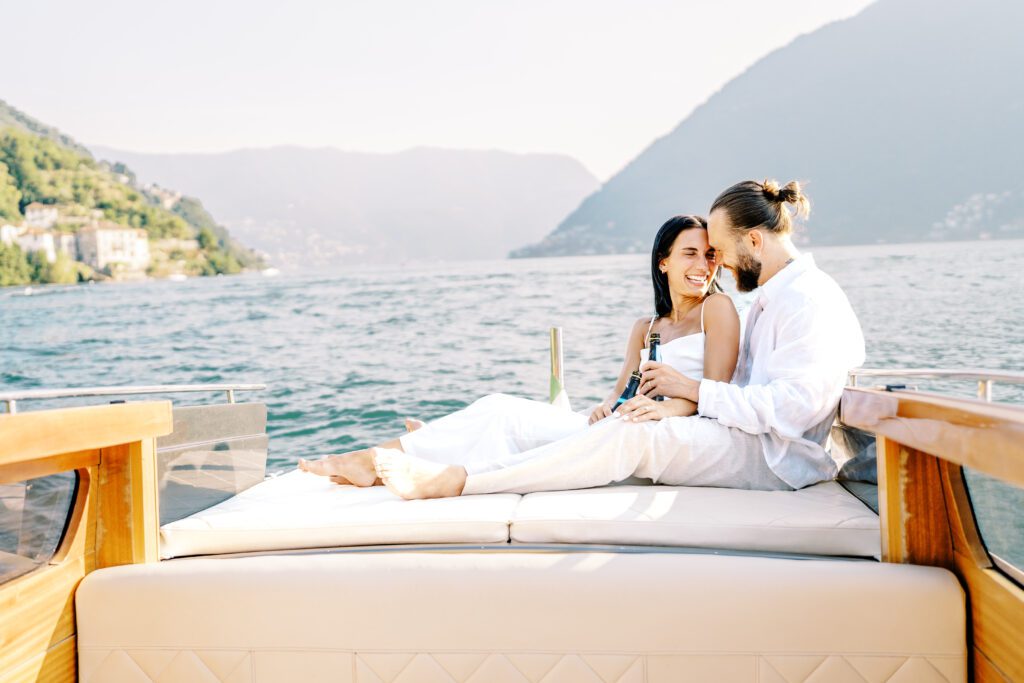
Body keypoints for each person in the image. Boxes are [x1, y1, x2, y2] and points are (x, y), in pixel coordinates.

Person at [362, 179, 865, 500]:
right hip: (748, 437)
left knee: (633, 433)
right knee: (614, 421)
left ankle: (461, 480)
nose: (719, 266)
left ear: (754, 241)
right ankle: (436, 457)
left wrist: (691, 393)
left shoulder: (808, 301)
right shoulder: (771, 298)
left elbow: (794, 409)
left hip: (777, 458)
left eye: (721, 253)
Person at [299, 215, 739, 486]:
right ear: (663, 261)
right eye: (689, 254)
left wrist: (666, 410)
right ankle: (378, 456)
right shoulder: (647, 327)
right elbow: (621, 388)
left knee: (512, 429)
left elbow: (717, 393)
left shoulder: (715, 310)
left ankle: (433, 462)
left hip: (656, 436)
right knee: (499, 408)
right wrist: (606, 406)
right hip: (622, 421)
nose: (702, 266)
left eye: (708, 256)